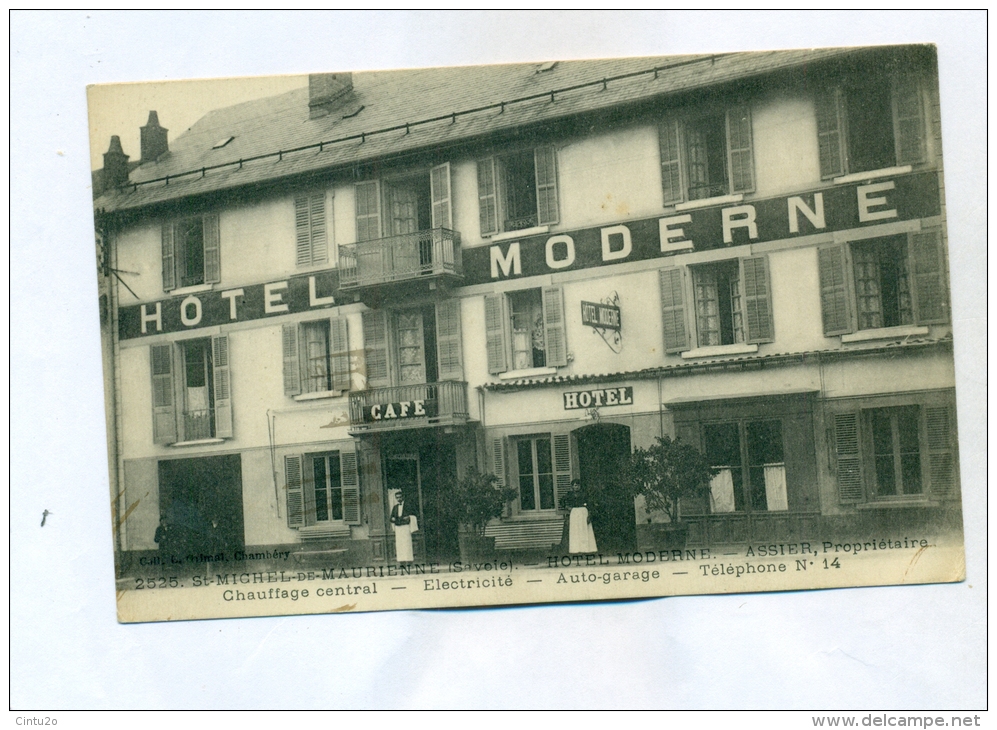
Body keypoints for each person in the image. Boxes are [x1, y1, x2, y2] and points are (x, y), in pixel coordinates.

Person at [389, 490, 418, 563]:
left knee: (407, 544)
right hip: (398, 528)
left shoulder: (408, 505)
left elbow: (414, 515)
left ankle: (409, 562)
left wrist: (409, 517)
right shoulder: (395, 507)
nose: (399, 499)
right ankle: (401, 562)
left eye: (400, 497)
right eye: (397, 498)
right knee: (400, 545)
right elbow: (391, 518)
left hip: (405, 527)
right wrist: (393, 519)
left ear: (403, 497)